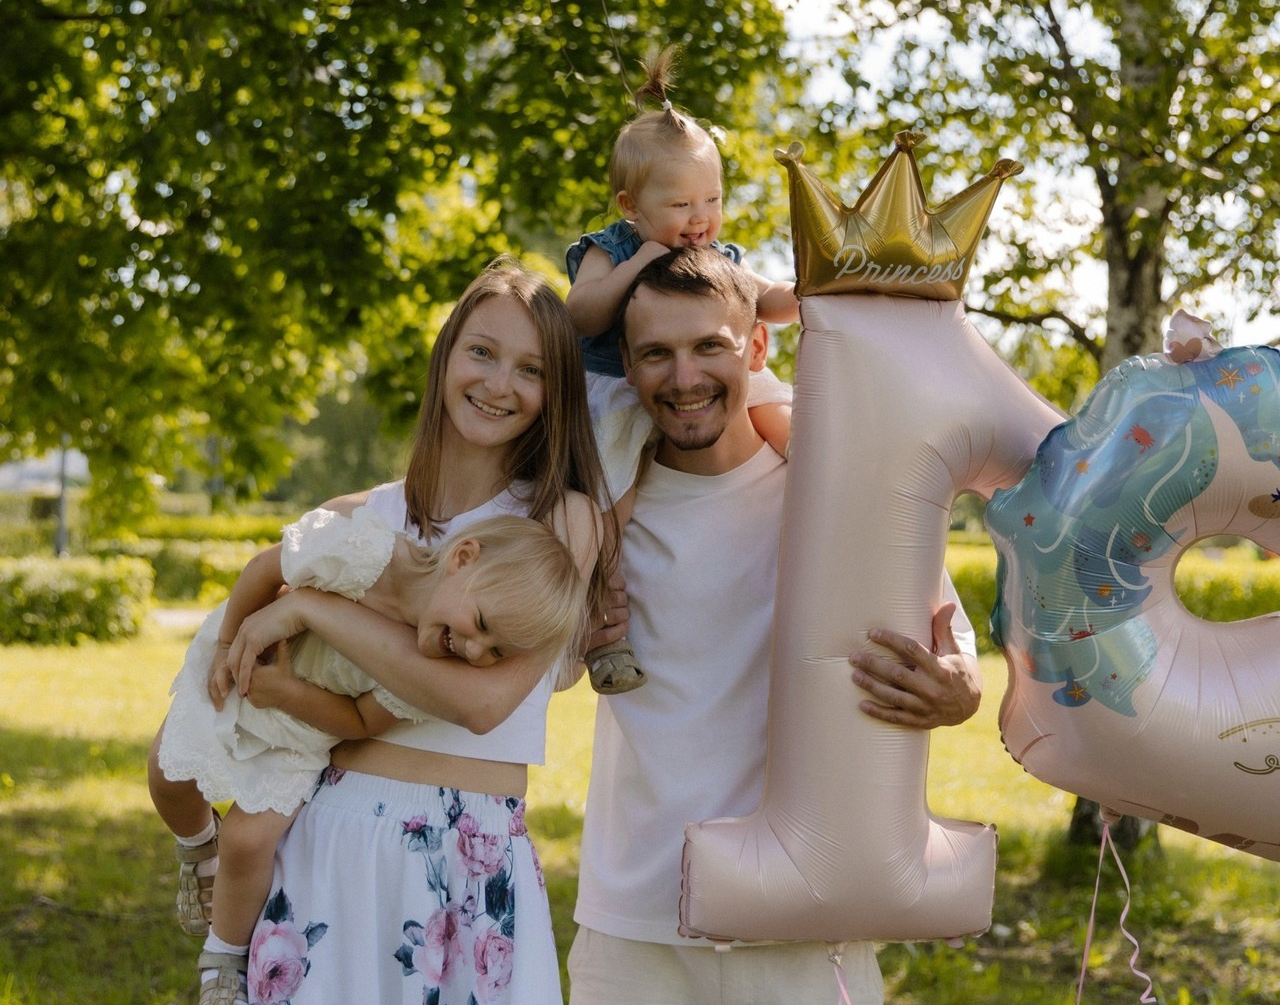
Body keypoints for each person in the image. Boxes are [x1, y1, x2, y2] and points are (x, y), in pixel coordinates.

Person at [149, 258, 612, 1005]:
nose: (499, 384)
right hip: (330, 834)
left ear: (555, 393)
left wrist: (315, 611)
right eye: (482, 353)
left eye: (530, 370)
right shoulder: (358, 517)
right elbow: (267, 614)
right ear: (446, 356)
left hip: (468, 850)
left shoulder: (557, 526)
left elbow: (482, 704)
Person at [568, 246, 982, 1005]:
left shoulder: (840, 483)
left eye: (708, 347)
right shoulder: (597, 514)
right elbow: (540, 666)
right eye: (657, 353)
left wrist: (959, 686)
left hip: (804, 917)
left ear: (756, 347)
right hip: (634, 926)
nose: (684, 378)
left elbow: (950, 640)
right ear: (626, 366)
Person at [150, 507, 584, 1003]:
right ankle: (198, 847)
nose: (473, 649)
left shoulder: (420, 674)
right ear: (463, 558)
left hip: (300, 728)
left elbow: (357, 720)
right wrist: (232, 641)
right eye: (482, 623)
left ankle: (223, 959)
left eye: (496, 652)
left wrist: (288, 694)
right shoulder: (371, 557)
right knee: (166, 775)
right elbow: (265, 569)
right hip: (245, 663)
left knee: (249, 841)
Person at [565, 45, 799, 692]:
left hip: (701, 384)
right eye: (680, 206)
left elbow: (767, 300)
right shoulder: (608, 250)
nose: (699, 220)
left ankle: (821, 485)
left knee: (776, 404)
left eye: (711, 200)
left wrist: (813, 293)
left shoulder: (714, 254)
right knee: (609, 512)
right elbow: (581, 315)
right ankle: (605, 628)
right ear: (630, 205)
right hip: (620, 390)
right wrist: (639, 261)